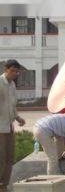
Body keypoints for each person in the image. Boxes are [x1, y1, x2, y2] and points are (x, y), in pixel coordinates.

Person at [0, 60, 26, 192]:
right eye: (12, 71)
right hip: (0, 127)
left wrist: (17, 117)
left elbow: (12, 105)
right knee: (2, 157)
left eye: (17, 72)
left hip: (9, 126)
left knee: (9, 157)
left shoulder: (12, 85)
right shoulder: (0, 83)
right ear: (6, 69)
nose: (15, 74)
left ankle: (4, 185)